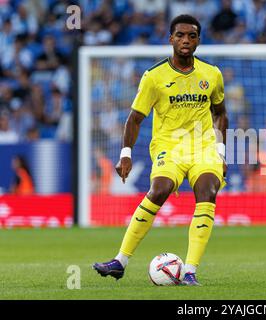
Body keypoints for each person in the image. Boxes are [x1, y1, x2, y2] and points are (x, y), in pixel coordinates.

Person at [93, 15, 228, 286]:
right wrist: (125, 155)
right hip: (169, 147)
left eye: (191, 36)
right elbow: (134, 118)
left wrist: (221, 151)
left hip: (203, 148)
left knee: (208, 190)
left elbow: (221, 113)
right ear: (171, 39)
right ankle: (120, 261)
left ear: (199, 40)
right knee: (159, 190)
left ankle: (189, 271)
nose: (186, 40)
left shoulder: (211, 74)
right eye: (180, 35)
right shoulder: (154, 77)